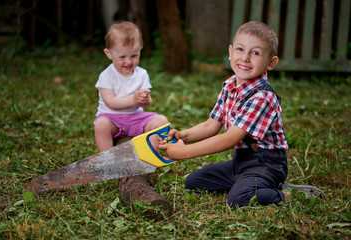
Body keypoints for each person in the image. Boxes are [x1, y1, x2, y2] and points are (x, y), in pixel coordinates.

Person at [159, 21, 288, 208]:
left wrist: (185, 152)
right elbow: (210, 125)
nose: (245, 58)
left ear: (271, 62)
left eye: (255, 53)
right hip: (241, 162)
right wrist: (183, 136)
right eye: (240, 49)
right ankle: (246, 182)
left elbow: (229, 139)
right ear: (230, 52)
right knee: (194, 183)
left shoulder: (263, 97)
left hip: (266, 164)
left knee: (238, 200)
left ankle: (284, 194)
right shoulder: (230, 86)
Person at [94, 21, 168, 152]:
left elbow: (146, 104)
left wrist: (145, 100)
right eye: (122, 57)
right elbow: (110, 102)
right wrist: (134, 100)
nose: (128, 61)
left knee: (161, 121)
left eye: (134, 56)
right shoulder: (106, 75)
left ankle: (147, 156)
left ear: (140, 51)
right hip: (112, 119)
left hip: (136, 118)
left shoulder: (142, 74)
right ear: (109, 53)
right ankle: (106, 159)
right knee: (101, 125)